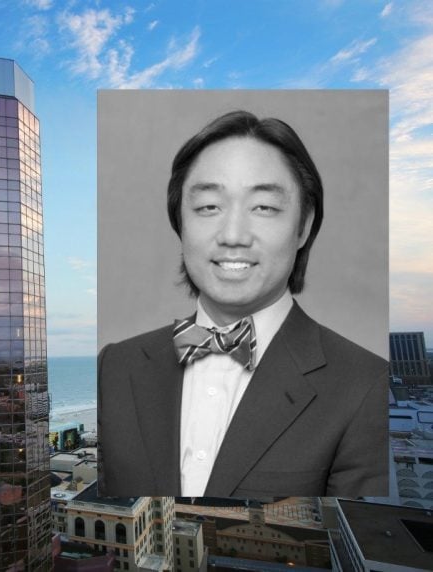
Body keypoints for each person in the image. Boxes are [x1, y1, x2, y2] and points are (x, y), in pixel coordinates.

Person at [97, 110, 388, 498]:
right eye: (208, 207)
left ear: (303, 225)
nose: (233, 235)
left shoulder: (368, 386)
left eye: (264, 207)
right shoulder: (115, 366)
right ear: (180, 223)